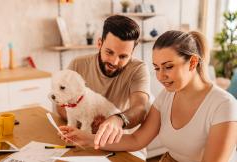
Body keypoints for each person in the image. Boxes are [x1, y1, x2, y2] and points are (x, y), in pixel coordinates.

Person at [59, 30, 237, 162]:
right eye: (157, 68)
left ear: (192, 63)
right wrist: (87, 138)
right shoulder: (167, 96)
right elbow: (137, 139)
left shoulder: (223, 105)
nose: (160, 77)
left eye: (168, 67)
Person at [56, 15, 150, 144]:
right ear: (99, 44)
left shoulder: (138, 69)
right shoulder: (77, 64)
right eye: (109, 52)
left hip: (120, 141)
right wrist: (84, 119)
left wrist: (118, 120)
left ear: (132, 53)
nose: (114, 62)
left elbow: (140, 108)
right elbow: (61, 105)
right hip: (81, 136)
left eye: (123, 56)